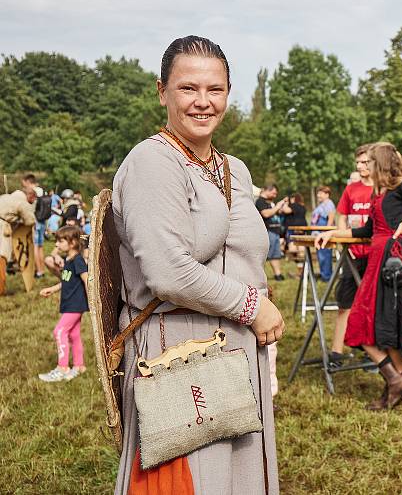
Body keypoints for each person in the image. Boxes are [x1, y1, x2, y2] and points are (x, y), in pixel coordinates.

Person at [112, 35, 282, 494]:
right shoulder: (152, 162)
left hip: (238, 350)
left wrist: (260, 324)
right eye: (188, 88)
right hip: (180, 355)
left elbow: (245, 258)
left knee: (239, 482)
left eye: (216, 89)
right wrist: (252, 307)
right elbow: (169, 273)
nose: (203, 102)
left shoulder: (235, 170)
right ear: (161, 91)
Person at [316, 142, 402, 410]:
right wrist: (332, 234)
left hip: (396, 260)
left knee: (392, 322)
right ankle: (395, 382)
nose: (365, 166)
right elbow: (367, 230)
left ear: (380, 163)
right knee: (367, 322)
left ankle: (392, 389)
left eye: (370, 161)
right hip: (379, 259)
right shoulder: (379, 193)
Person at [329, 144, 374, 367]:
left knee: (372, 305)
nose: (360, 166)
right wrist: (342, 240)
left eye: (365, 162)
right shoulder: (351, 189)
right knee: (345, 303)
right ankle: (336, 353)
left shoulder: (382, 189)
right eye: (357, 162)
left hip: (374, 255)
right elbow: (341, 215)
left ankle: (372, 352)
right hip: (353, 254)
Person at [37, 226, 88, 382]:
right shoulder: (69, 260)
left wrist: (92, 302)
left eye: (60, 241)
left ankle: (62, 368)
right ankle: (79, 366)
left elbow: (86, 279)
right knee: (73, 334)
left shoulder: (78, 260)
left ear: (72, 242)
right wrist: (52, 289)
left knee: (59, 331)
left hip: (75, 305)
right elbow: (66, 281)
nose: (57, 245)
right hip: (71, 304)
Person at [0, 186, 36, 295]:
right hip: (2, 228)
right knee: (2, 257)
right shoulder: (22, 203)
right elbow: (30, 221)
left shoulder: (5, 196)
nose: (33, 201)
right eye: (33, 198)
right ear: (30, 195)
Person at [256, 184, 292, 281]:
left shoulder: (270, 202)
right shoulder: (260, 201)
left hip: (275, 231)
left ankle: (278, 274)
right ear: (267, 190)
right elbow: (266, 214)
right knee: (268, 254)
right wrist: (278, 206)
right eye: (273, 193)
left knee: (276, 254)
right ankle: (260, 277)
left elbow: (278, 212)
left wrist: (283, 204)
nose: (275, 195)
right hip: (268, 231)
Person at [311, 185, 336, 282]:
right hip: (318, 234)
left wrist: (326, 232)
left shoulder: (329, 204)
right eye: (318, 193)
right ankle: (323, 274)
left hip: (323, 233)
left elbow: (330, 219)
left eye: (320, 193)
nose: (318, 195)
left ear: (327, 194)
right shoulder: (322, 204)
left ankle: (327, 276)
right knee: (321, 255)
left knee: (325, 255)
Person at [283, 192, 307, 278]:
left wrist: (285, 203)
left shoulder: (294, 205)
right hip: (302, 230)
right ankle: (302, 272)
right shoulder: (303, 207)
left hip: (293, 230)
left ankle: (301, 272)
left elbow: (286, 210)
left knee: (294, 250)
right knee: (301, 251)